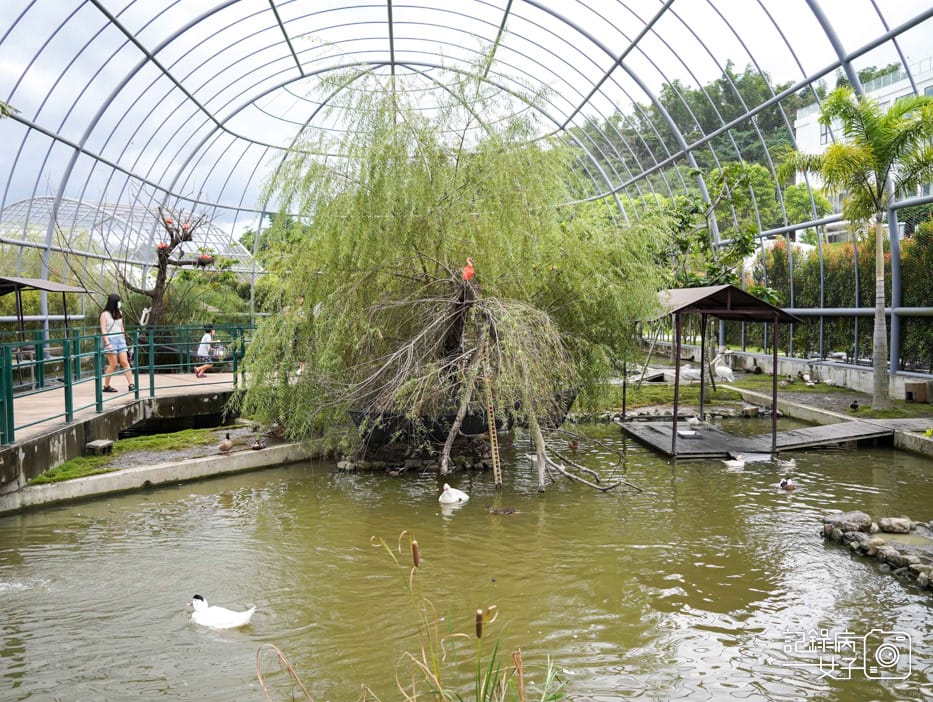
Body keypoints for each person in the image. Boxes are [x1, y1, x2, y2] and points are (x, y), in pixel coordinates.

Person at [99, 293, 135, 393]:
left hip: (120, 340)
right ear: (114, 302)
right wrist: (107, 343)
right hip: (110, 340)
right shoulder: (104, 314)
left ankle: (131, 384)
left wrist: (123, 340)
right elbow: (103, 329)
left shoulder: (120, 313)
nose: (120, 303)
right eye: (118, 302)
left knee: (125, 362)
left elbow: (121, 327)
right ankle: (106, 385)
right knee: (113, 364)